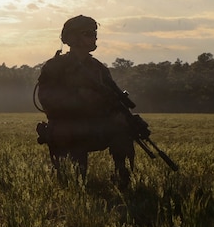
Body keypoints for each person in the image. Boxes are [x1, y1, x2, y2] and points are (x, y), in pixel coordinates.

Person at [35, 16, 137, 188]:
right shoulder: (55, 66)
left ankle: (121, 174)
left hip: (93, 125)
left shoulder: (98, 68)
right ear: (73, 37)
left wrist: (119, 115)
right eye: (88, 34)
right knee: (74, 182)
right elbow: (45, 98)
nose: (94, 37)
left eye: (94, 34)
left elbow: (112, 97)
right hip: (67, 127)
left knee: (122, 126)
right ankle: (72, 177)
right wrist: (79, 99)